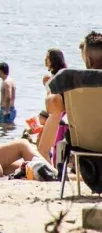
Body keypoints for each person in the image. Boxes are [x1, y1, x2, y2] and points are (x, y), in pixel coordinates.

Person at [36, 31, 102, 188]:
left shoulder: (71, 80)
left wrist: (50, 89)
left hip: (85, 150)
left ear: (88, 59)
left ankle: (60, 176)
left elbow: (53, 106)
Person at [0, 62, 16, 127]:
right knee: (7, 130)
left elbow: (8, 97)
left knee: (4, 129)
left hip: (6, 110)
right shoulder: (10, 81)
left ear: (1, 71)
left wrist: (6, 111)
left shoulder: (6, 82)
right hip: (10, 109)